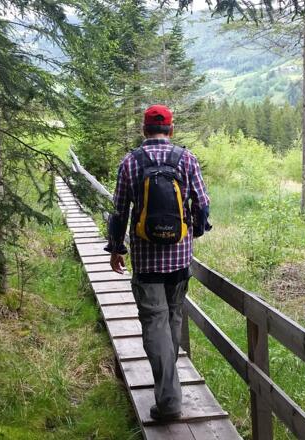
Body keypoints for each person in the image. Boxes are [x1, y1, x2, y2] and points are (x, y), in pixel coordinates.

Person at [104, 104, 211, 422]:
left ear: (144, 129)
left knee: (154, 323)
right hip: (179, 260)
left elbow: (119, 211)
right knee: (173, 316)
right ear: (171, 129)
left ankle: (168, 401)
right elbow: (202, 205)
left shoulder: (131, 162)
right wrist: (194, 231)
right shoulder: (186, 158)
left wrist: (115, 248)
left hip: (146, 261)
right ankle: (170, 387)